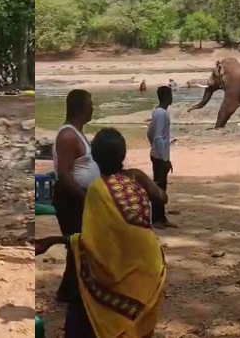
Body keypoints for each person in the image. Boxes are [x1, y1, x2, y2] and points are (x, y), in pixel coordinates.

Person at [36, 128, 169, 338]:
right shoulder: (135, 176)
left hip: (125, 277)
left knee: (83, 309)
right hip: (151, 271)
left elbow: (92, 244)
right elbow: (161, 197)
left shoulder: (98, 190)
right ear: (123, 155)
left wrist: (53, 240)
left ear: (94, 157)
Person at [52, 89, 100, 303]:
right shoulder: (68, 135)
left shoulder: (77, 133)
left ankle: (69, 290)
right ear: (81, 108)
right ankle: (71, 293)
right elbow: (64, 173)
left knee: (79, 245)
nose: (93, 108)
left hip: (79, 196)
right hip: (70, 198)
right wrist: (83, 197)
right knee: (77, 244)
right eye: (90, 105)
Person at [147, 86, 177, 228]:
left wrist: (153, 146)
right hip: (160, 157)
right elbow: (158, 137)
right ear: (166, 97)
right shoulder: (161, 114)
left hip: (158, 154)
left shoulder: (158, 112)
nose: (172, 97)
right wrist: (165, 159)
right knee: (159, 186)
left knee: (161, 186)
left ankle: (162, 217)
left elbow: (150, 133)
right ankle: (157, 219)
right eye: (170, 95)